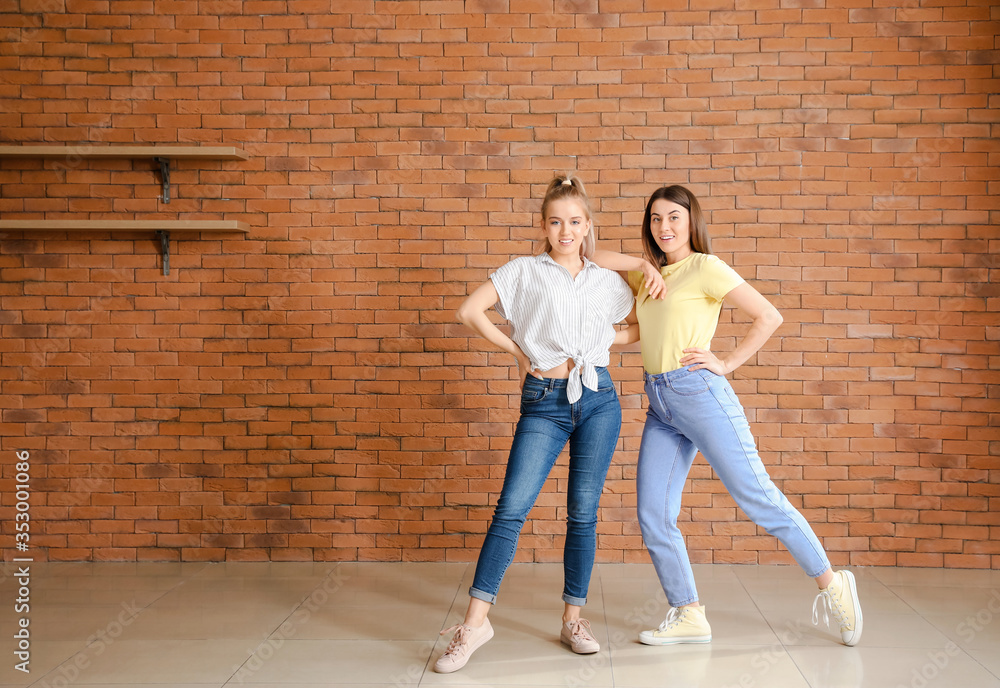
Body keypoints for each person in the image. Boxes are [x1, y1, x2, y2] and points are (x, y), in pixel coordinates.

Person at [595, 185, 863, 648]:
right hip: (661, 402)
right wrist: (637, 272)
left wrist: (726, 363)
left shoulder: (705, 267)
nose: (664, 227)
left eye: (674, 217)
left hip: (698, 392)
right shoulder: (650, 275)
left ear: (691, 221)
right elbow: (593, 262)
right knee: (654, 513)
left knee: (756, 496)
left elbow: (768, 315)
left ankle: (833, 584)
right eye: (656, 218)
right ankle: (689, 613)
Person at [434, 175, 660, 673]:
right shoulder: (524, 271)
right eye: (556, 222)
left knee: (583, 513)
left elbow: (639, 326)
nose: (566, 231)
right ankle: (474, 626)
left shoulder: (606, 280)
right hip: (544, 400)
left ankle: (573, 620)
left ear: (588, 226)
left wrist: (604, 337)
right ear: (543, 226)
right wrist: (519, 351)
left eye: (575, 222)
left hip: (599, 400)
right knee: (511, 510)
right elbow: (470, 310)